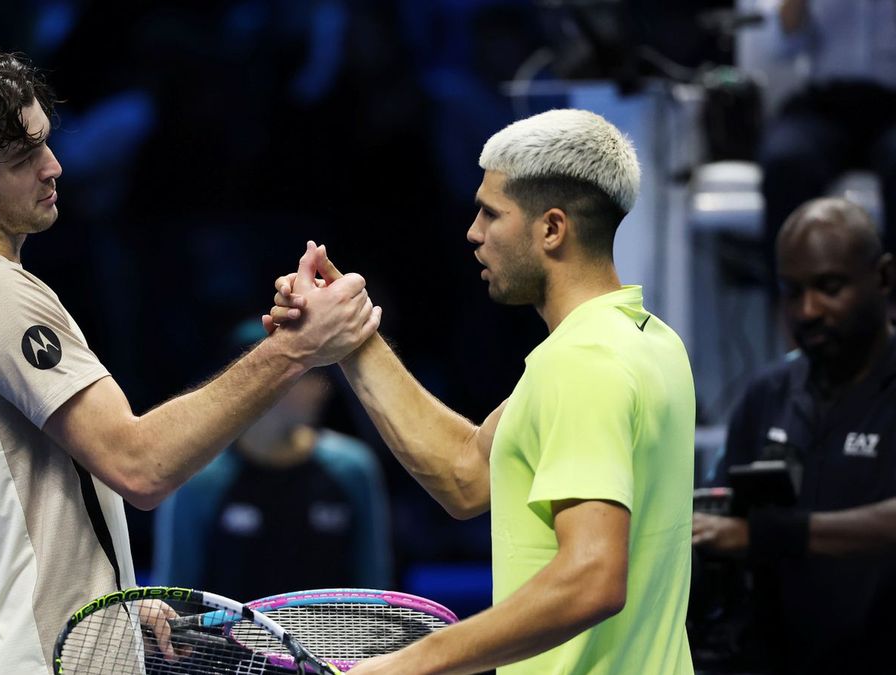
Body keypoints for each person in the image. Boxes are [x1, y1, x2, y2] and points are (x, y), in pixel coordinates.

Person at [0, 36, 380, 674]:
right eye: (23, 157)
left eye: (45, 141)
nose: (54, 167)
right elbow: (141, 466)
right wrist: (296, 349)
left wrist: (103, 598)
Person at [267, 109, 696, 673]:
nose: (473, 232)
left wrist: (410, 663)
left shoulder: (582, 363)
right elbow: (465, 475)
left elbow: (593, 578)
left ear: (552, 229)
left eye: (492, 213)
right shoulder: (648, 341)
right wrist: (348, 334)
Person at [693, 197, 896, 674]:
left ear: (884, 278)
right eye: (792, 291)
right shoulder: (769, 393)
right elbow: (720, 515)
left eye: (829, 287)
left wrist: (769, 535)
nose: (808, 310)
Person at [153, 319, 392, 600]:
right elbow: (174, 596)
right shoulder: (199, 480)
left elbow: (374, 590)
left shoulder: (353, 469)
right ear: (257, 382)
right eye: (307, 373)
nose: (321, 388)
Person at [759, 0, 896, 262]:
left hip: (890, 104)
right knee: (786, 162)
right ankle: (791, 286)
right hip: (825, 103)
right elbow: (780, 44)